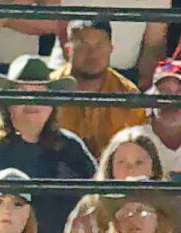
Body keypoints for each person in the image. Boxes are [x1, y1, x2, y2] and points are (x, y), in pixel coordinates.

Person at [0, 55, 98, 233]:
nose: (32, 102)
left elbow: (97, 203)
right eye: (22, 94)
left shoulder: (71, 147)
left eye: (40, 94)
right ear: (7, 103)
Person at [58, 126, 171, 233]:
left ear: (153, 169)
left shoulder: (167, 207)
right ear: (110, 168)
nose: (131, 170)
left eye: (139, 163)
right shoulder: (89, 208)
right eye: (121, 163)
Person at [51, 17, 140, 163]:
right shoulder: (50, 89)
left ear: (111, 48)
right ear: (68, 50)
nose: (92, 53)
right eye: (83, 46)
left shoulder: (128, 94)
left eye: (99, 45)